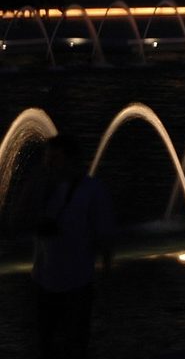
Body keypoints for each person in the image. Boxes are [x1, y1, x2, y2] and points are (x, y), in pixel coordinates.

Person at [31, 133, 114, 359]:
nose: (49, 164)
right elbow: (15, 222)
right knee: (44, 345)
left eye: (54, 159)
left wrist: (105, 281)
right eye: (46, 159)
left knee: (75, 344)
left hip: (76, 285)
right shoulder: (45, 189)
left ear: (71, 160)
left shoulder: (92, 190)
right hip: (43, 283)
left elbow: (105, 237)